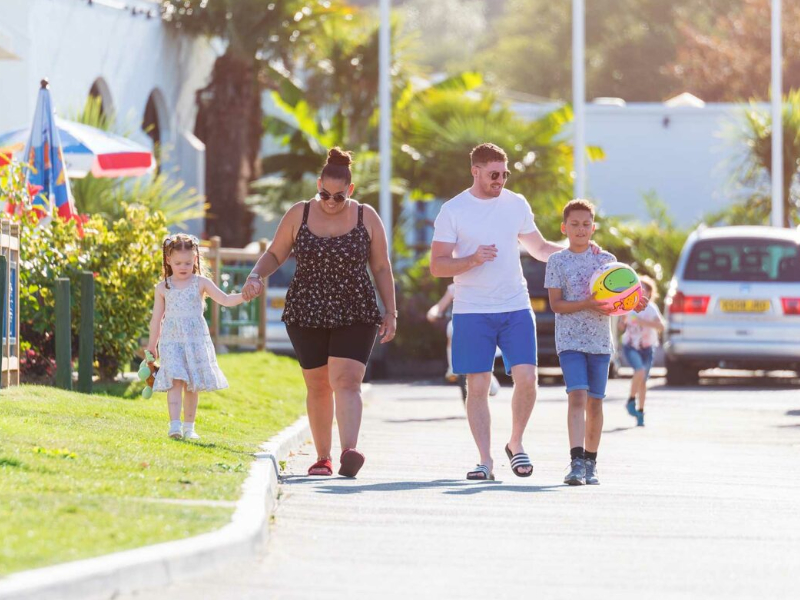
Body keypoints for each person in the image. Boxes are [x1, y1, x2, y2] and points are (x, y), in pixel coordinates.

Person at [241, 148, 396, 478]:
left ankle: (349, 451)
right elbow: (276, 253)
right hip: (306, 309)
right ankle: (322, 457)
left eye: (338, 197)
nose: (330, 201)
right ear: (317, 185)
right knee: (318, 385)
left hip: (356, 308)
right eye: (324, 193)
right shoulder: (300, 213)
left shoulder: (365, 216)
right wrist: (255, 275)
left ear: (350, 191)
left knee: (347, 380)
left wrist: (391, 311)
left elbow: (381, 267)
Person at [430, 142, 573, 481]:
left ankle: (516, 443)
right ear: (475, 171)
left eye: (505, 174)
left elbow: (538, 248)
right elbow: (437, 266)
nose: (500, 181)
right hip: (471, 310)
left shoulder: (516, 204)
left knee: (527, 379)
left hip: (515, 306)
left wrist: (575, 250)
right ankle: (485, 460)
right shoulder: (453, 210)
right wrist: (472, 259)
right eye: (494, 174)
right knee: (477, 385)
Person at [545, 199, 648, 486]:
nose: (580, 229)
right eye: (574, 224)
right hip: (570, 341)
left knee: (595, 403)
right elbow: (556, 304)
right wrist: (587, 302)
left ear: (593, 228)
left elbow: (621, 299)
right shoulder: (557, 261)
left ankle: (591, 463)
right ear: (564, 228)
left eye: (586, 224)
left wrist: (635, 303)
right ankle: (576, 461)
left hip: (601, 343)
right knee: (576, 396)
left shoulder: (606, 261)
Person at [147, 233, 246, 440]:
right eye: (178, 262)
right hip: (172, 341)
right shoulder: (163, 287)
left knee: (192, 384)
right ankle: (174, 426)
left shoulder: (200, 282)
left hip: (195, 341)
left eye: (188, 262)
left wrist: (244, 296)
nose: (183, 267)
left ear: (196, 260)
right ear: (168, 260)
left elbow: (225, 299)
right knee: (175, 380)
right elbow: (156, 320)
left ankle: (189, 428)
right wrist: (151, 346)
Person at [426, 283, 501, 398]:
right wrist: (433, 312)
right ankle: (452, 367)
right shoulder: (455, 287)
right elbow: (439, 306)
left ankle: (489, 378)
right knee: (453, 327)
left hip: (483, 324)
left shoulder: (487, 284)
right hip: (461, 324)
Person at [619, 275, 664, 427]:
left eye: (645, 289)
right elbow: (621, 327)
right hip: (631, 345)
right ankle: (631, 400)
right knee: (640, 371)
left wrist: (641, 322)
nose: (642, 291)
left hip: (647, 347)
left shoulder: (651, 309)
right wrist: (623, 319)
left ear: (650, 293)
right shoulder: (628, 305)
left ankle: (641, 411)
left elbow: (661, 326)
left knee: (643, 381)